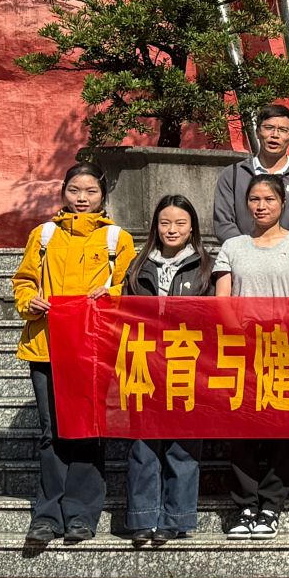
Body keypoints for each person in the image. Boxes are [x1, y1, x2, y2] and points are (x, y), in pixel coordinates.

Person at [12, 164, 135, 546]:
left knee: (87, 430)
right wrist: (28, 300)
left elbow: (131, 287)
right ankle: (47, 515)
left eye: (91, 191)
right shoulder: (44, 235)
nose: (82, 198)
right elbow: (23, 280)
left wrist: (112, 294)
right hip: (47, 346)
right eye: (75, 190)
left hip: (92, 350)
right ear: (63, 192)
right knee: (50, 433)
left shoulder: (117, 239)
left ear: (103, 195)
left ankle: (82, 515)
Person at [212, 172, 289, 538]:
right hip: (243, 349)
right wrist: (240, 334)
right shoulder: (233, 246)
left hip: (284, 348)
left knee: (279, 430)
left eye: (269, 199)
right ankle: (245, 506)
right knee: (241, 431)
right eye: (254, 199)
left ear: (283, 204)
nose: (261, 206)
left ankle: (271, 506)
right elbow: (222, 300)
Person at [119, 194, 208, 545]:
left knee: (183, 445)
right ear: (155, 226)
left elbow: (214, 315)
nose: (172, 230)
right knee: (143, 444)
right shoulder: (139, 265)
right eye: (165, 223)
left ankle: (176, 518)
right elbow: (123, 310)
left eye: (180, 223)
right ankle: (142, 518)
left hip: (187, 363)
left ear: (192, 228)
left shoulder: (205, 266)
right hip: (145, 361)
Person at [212, 104, 289, 243]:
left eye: (283, 130)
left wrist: (278, 251)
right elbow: (223, 224)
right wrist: (248, 250)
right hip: (241, 253)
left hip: (288, 254)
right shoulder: (232, 174)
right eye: (268, 128)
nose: (275, 135)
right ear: (257, 132)